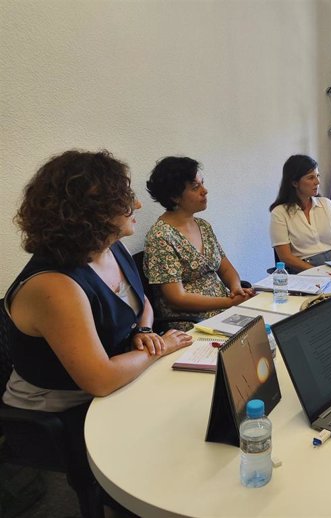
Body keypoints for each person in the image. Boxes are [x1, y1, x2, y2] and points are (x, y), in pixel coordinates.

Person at [2, 150, 193, 514]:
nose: (137, 202)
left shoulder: (111, 247)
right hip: (59, 411)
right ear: (89, 212)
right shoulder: (55, 286)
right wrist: (159, 348)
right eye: (124, 197)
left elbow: (143, 304)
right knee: (172, 444)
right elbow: (99, 380)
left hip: (116, 378)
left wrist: (144, 331)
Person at [144, 156, 255, 330]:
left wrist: (236, 289)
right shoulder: (161, 236)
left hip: (224, 307)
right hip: (192, 320)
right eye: (196, 187)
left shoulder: (203, 225)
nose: (205, 191)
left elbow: (225, 268)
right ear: (174, 197)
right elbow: (177, 298)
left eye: (202, 183)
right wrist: (228, 302)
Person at [269, 154, 331, 273]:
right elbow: (285, 257)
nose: (317, 182)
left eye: (317, 176)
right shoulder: (280, 213)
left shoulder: (327, 204)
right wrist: (318, 272)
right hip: (304, 268)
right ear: (295, 183)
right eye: (310, 178)